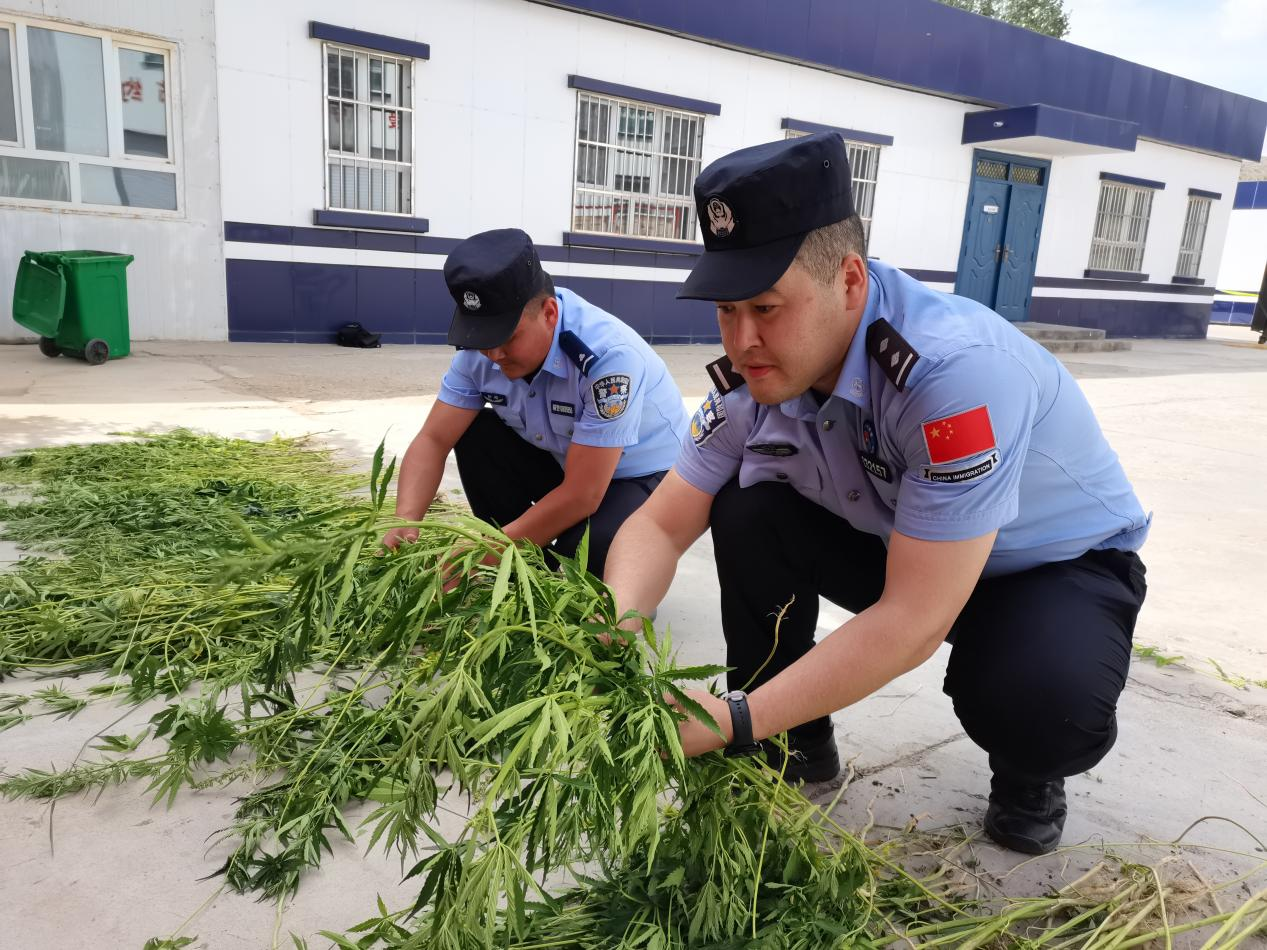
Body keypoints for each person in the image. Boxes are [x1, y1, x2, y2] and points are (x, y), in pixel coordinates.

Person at [603, 133, 1150, 855]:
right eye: (726, 311)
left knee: (1042, 700)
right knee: (749, 507)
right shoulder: (754, 381)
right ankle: (792, 736)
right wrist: (612, 629)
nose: (741, 341)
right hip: (907, 547)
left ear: (850, 281)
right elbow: (660, 524)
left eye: (765, 307)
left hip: (1045, 570)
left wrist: (729, 720)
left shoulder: (953, 376)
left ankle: (1028, 771)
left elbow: (914, 619)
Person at [383, 228, 688, 581]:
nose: (493, 354)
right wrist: (405, 520)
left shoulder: (607, 358)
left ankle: (515, 552)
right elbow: (434, 440)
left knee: (585, 558)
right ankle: (520, 568)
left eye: (506, 338)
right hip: (569, 460)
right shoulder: (480, 353)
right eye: (482, 338)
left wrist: (485, 550)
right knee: (476, 435)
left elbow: (584, 493)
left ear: (549, 313)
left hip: (644, 476)